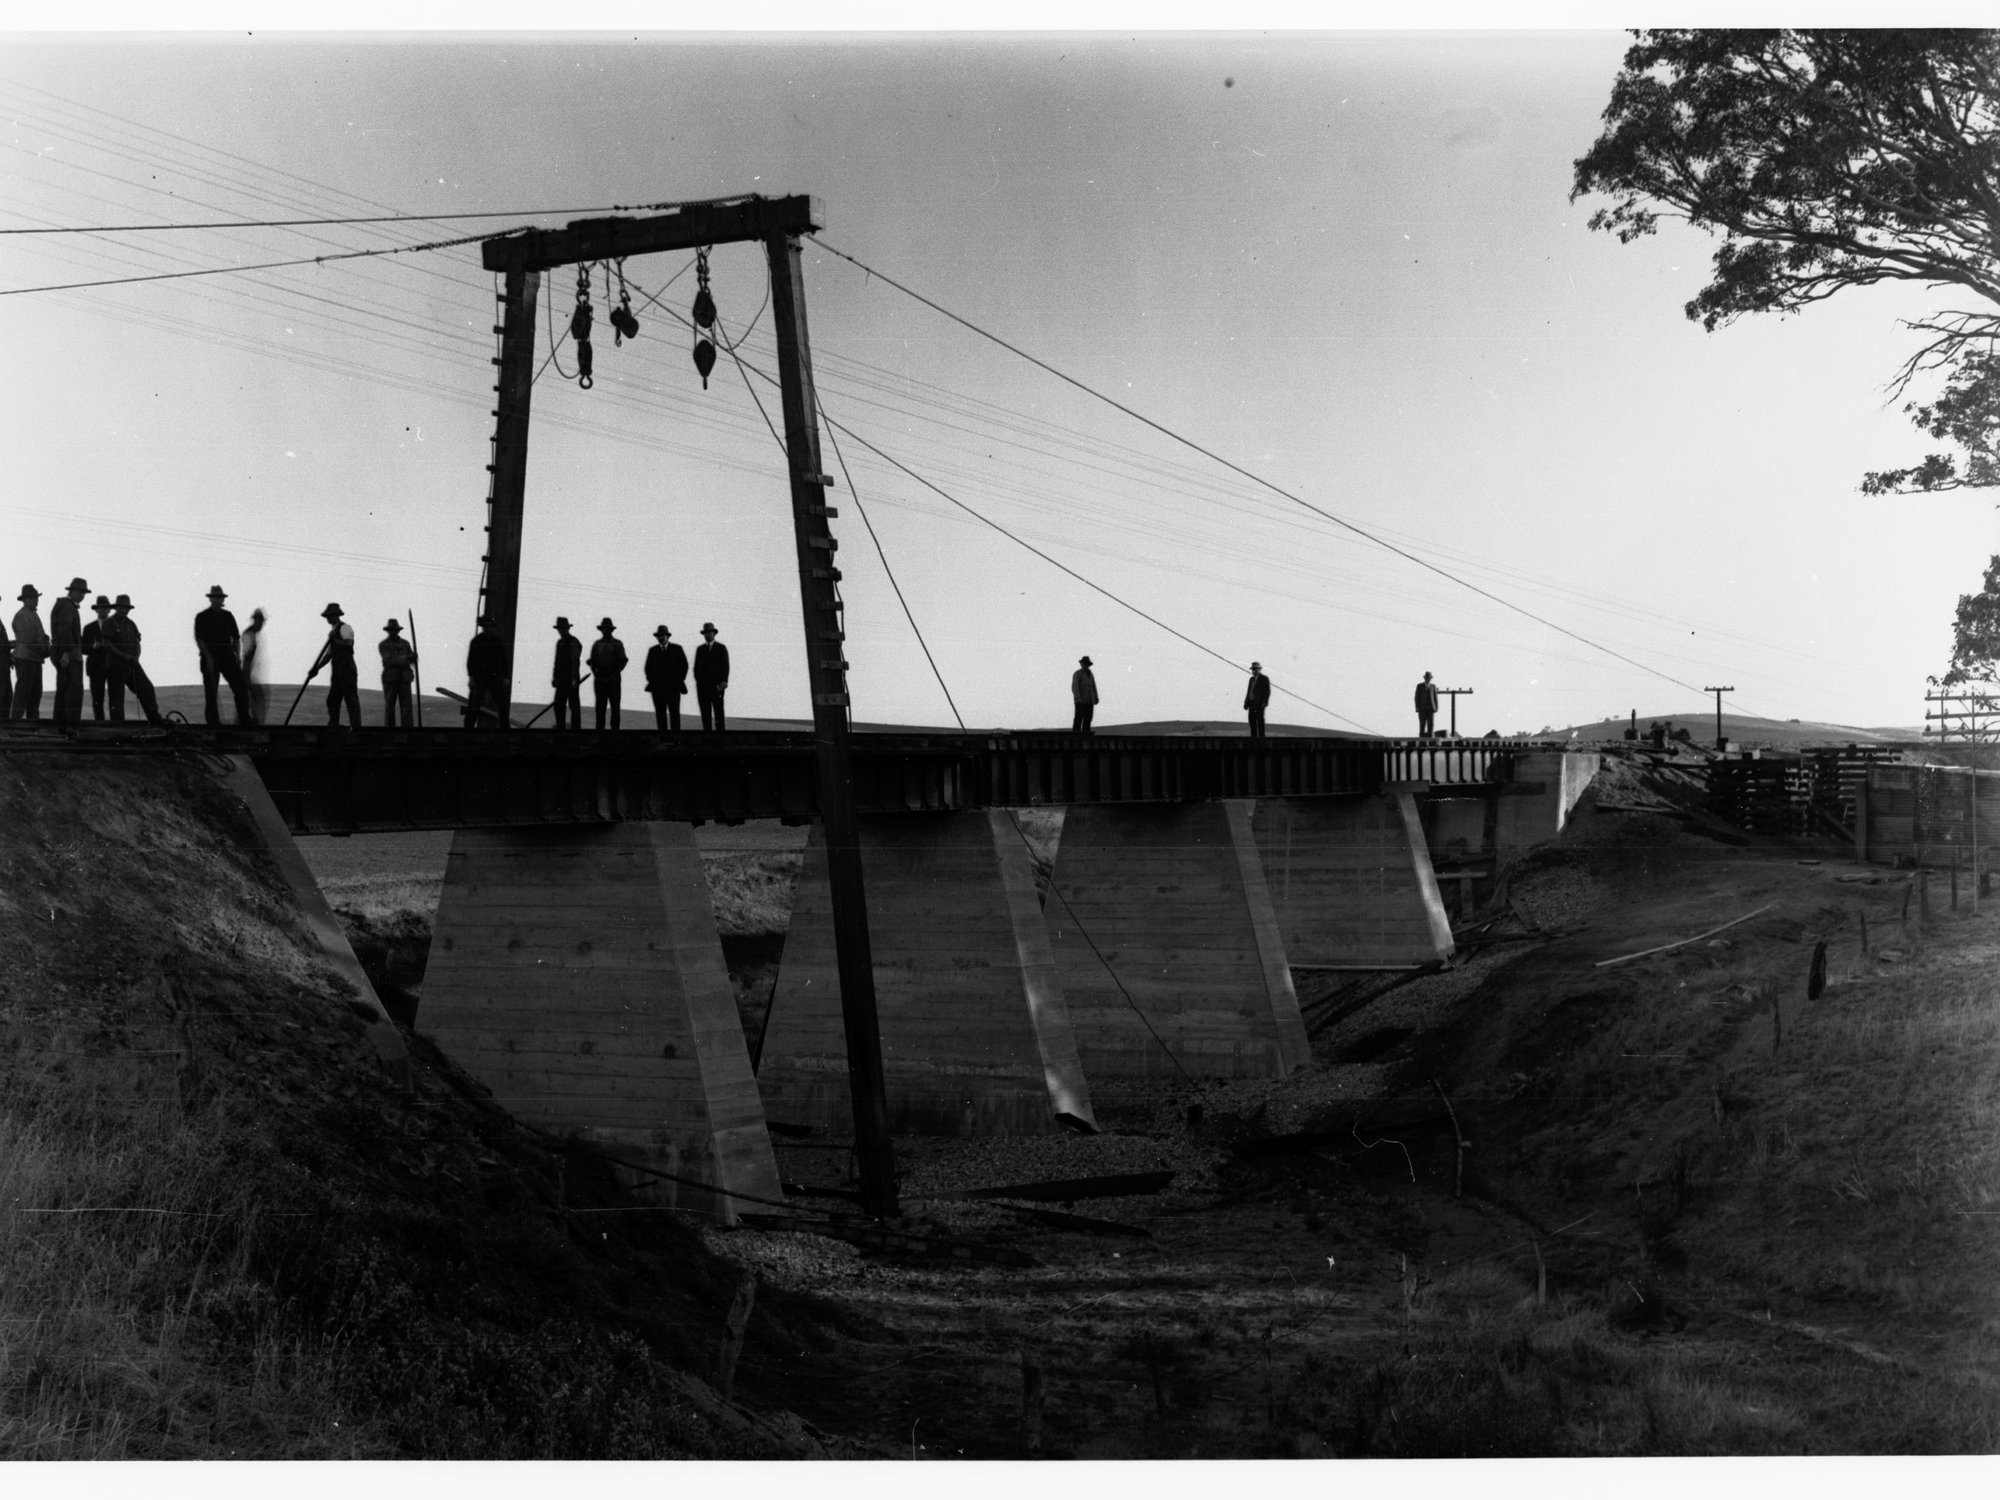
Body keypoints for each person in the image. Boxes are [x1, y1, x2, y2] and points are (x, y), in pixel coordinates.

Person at [101, 594, 165, 725]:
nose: (124, 610)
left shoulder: (131, 624)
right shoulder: (109, 623)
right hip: (115, 666)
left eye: (126, 608)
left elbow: (137, 642)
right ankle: (118, 727)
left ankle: (155, 719)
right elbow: (107, 644)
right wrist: (124, 656)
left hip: (132, 664)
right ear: (116, 608)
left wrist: (136, 657)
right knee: (117, 698)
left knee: (147, 688)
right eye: (121, 608)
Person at [193, 584, 251, 726]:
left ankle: (244, 718)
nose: (218, 600)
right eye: (215, 597)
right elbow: (199, 639)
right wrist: (208, 657)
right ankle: (213, 722)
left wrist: (237, 656)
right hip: (210, 657)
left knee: (240, 686)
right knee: (211, 692)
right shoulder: (202, 617)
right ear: (211, 599)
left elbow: (236, 637)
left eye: (219, 597)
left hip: (227, 656)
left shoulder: (228, 616)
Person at [311, 603, 361, 729]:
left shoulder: (345, 628)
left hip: (347, 666)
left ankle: (355, 726)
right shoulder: (333, 632)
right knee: (333, 698)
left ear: (336, 616)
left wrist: (335, 640)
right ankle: (334, 724)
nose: (328, 618)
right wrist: (317, 668)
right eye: (327, 616)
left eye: (330, 616)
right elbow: (328, 654)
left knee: (350, 697)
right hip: (337, 668)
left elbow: (348, 643)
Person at [50, 577, 88, 728]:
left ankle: (61, 726)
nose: (82, 596)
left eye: (84, 592)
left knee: (65, 690)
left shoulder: (66, 605)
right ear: (72, 591)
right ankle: (71, 727)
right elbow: (64, 630)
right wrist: (66, 652)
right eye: (80, 592)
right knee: (73, 691)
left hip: (67, 653)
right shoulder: (67, 606)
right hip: (70, 655)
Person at [11, 585, 49, 720]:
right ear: (25, 599)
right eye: (32, 598)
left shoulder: (32, 614)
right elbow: (29, 640)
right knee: (24, 694)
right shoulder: (22, 615)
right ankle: (15, 724)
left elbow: (41, 636)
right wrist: (46, 649)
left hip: (34, 659)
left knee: (34, 694)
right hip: (26, 659)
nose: (35, 600)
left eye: (36, 598)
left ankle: (31, 724)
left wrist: (45, 644)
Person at [463, 614, 506, 729]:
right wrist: (471, 678)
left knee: (502, 705)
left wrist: (505, 677)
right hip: (480, 677)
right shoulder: (476, 641)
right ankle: (468, 729)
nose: (487, 628)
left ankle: (506, 730)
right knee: (474, 706)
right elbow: (470, 661)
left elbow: (504, 660)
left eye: (489, 626)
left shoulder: (497, 641)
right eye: (485, 626)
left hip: (494, 677)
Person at [645, 624, 687, 731]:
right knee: (660, 714)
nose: (661, 638)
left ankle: (676, 739)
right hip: (658, 689)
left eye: (663, 635)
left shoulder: (677, 649)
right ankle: (663, 739)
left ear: (668, 636)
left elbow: (684, 666)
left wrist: (678, 681)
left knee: (674, 714)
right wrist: (653, 682)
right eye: (659, 636)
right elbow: (648, 669)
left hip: (673, 688)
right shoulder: (653, 651)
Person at [589, 616, 627, 731]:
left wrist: (612, 675)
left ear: (611, 630)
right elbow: (592, 662)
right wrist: (597, 675)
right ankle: (600, 733)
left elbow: (622, 662)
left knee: (615, 707)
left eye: (607, 629)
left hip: (613, 679)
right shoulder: (597, 644)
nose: (606, 631)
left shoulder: (617, 644)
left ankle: (614, 733)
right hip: (600, 679)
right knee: (600, 708)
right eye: (604, 629)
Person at [379, 618, 417, 728]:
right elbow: (388, 660)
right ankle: (390, 731)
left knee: (407, 707)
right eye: (391, 630)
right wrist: (407, 658)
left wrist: (414, 658)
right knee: (390, 706)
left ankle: (408, 730)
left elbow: (411, 660)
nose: (393, 632)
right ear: (388, 631)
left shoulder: (406, 644)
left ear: (398, 631)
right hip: (390, 679)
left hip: (404, 679)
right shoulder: (384, 645)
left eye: (395, 630)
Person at [693, 621, 730, 731]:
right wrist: (699, 682)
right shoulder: (700, 649)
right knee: (705, 714)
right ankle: (707, 737)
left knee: (718, 713)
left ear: (714, 634)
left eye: (709, 633)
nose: (707, 635)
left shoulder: (721, 648)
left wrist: (723, 682)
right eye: (705, 633)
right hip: (703, 687)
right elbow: (696, 669)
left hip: (716, 687)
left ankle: (721, 738)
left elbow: (725, 666)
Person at [82, 595, 112, 721]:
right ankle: (99, 724)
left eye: (105, 608)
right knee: (97, 699)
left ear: (109, 610)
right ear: (96, 610)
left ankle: (116, 725)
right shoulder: (89, 628)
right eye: (100, 608)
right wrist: (93, 646)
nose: (103, 610)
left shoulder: (115, 625)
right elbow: (82, 648)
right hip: (95, 669)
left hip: (112, 667)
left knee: (115, 698)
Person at [550, 616, 583, 731]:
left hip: (570, 679)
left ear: (567, 628)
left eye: (563, 628)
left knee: (574, 706)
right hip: (562, 680)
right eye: (560, 628)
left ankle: (575, 731)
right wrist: (555, 677)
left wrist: (574, 678)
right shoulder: (560, 643)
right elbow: (557, 662)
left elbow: (575, 661)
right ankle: (560, 729)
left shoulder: (573, 642)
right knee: (558, 705)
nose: (561, 630)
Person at [239, 607, 268, 725]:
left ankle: (250, 722)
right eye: (260, 621)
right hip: (247, 673)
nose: (262, 624)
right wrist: (246, 675)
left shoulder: (252, 634)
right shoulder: (249, 635)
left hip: (249, 673)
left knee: (252, 698)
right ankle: (254, 723)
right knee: (256, 698)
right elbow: (246, 656)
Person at [1071, 654, 1098, 734]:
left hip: (1089, 701)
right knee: (1078, 719)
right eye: (1084, 663)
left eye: (1086, 663)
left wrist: (1095, 697)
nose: (1085, 665)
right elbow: (1075, 687)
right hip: (1081, 701)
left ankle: (1086, 735)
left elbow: (1093, 686)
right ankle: (1076, 736)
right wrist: (1078, 698)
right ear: (1081, 664)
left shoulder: (1090, 674)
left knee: (1088, 719)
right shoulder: (1078, 674)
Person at [1244, 661, 1271, 739]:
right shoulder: (1251, 679)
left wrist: (1264, 702)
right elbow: (1249, 691)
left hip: (1259, 704)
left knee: (1260, 722)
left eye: (1255, 669)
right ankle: (1254, 739)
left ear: (1259, 669)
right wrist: (1246, 703)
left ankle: (1262, 739)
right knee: (1252, 721)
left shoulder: (1264, 679)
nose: (1254, 671)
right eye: (1253, 669)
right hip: (1251, 703)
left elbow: (1267, 691)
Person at [1414, 671, 1440, 739]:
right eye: (1426, 678)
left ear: (1430, 678)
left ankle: (1430, 737)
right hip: (1422, 708)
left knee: (1430, 724)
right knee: (1422, 724)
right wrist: (1417, 707)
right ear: (1424, 678)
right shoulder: (1419, 686)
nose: (1427, 679)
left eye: (1429, 678)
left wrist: (1436, 707)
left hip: (1431, 709)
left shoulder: (1433, 686)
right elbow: (1416, 697)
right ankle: (1421, 738)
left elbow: (1435, 697)